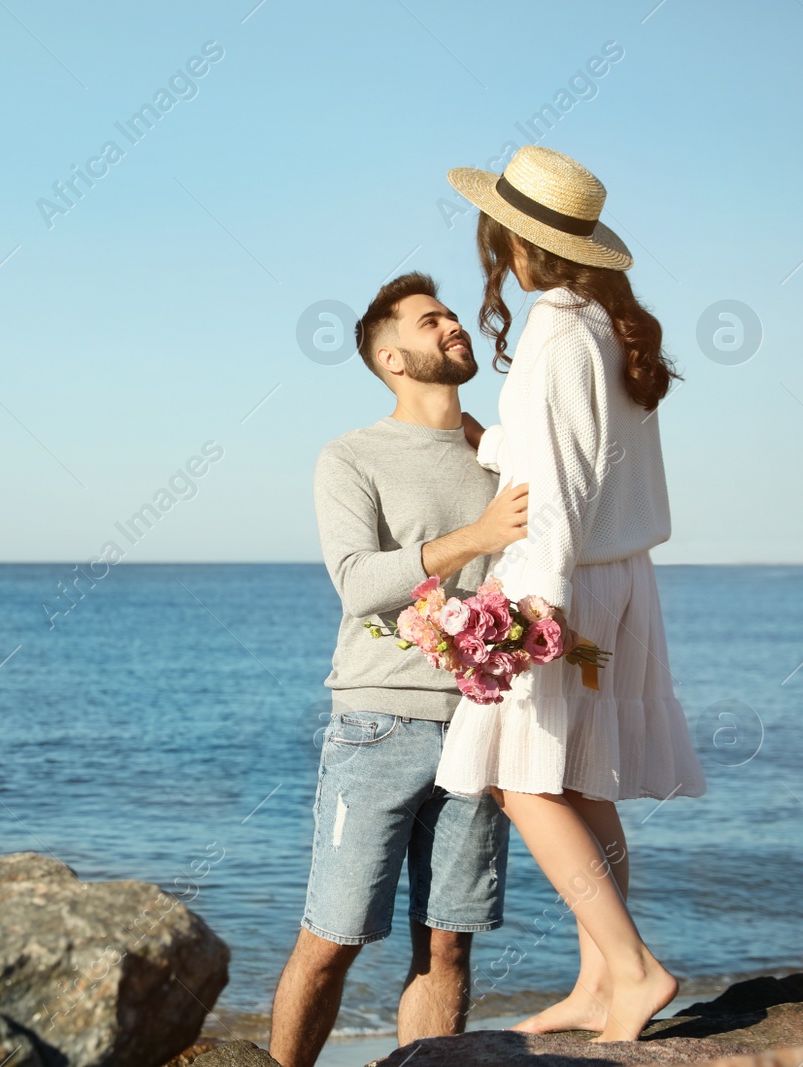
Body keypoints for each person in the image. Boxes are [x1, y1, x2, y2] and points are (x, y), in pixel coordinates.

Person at [435, 145, 707, 1043]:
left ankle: (632, 969)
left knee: (520, 781)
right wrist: (492, 444)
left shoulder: (554, 330)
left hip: (565, 580)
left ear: (513, 240)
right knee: (586, 779)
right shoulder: (606, 323)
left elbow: (557, 490)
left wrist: (531, 612)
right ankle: (600, 983)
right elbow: (583, 462)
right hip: (621, 579)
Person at [269, 271, 530, 1066]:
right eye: (431, 320)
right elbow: (357, 581)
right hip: (379, 725)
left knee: (448, 947)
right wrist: (477, 536)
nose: (453, 325)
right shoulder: (351, 456)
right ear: (393, 357)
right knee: (333, 939)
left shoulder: (500, 454)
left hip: (481, 727)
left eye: (452, 314)